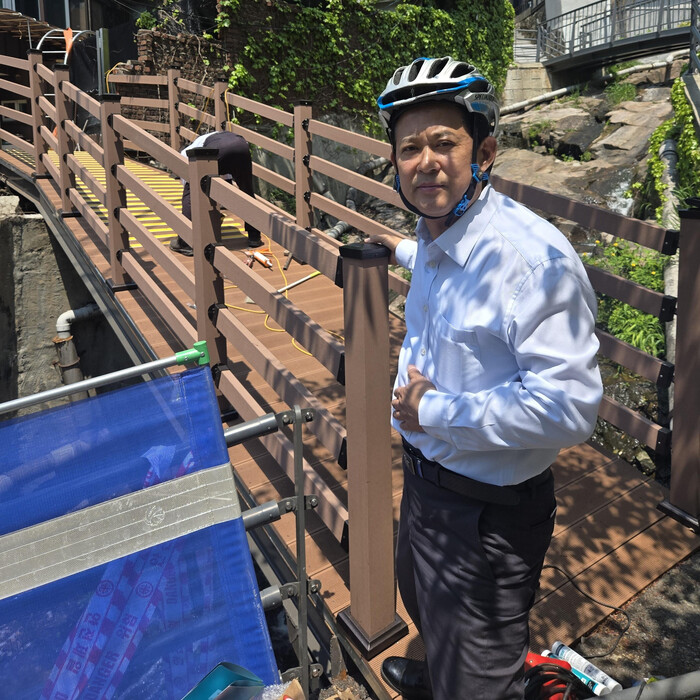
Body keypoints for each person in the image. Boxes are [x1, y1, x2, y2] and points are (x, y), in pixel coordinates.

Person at [367, 57, 603, 700]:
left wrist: (434, 412)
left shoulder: (533, 263)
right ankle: (443, 671)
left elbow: (569, 407)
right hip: (426, 485)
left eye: (444, 143)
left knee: (482, 675)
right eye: (409, 148)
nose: (426, 162)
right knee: (422, 598)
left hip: (487, 514)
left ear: (485, 153)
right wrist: (396, 249)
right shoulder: (437, 235)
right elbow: (442, 268)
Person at [170, 130, 263, 256]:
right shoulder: (208, 138)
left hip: (218, 150)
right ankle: (254, 236)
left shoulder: (184, 154)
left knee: (190, 192)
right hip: (242, 146)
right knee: (247, 191)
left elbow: (192, 187)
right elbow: (225, 183)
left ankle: (186, 242)